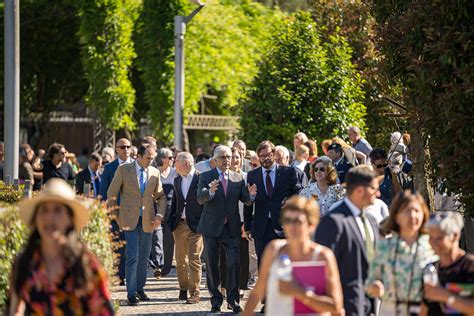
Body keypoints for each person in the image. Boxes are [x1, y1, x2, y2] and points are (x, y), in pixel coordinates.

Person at [8, 178, 114, 315]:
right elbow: (14, 308)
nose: (49, 217)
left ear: (70, 219)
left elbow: (103, 311)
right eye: (44, 210)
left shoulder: (86, 265)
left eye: (57, 210)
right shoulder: (24, 264)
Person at [243, 196, 344, 316]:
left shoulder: (323, 256)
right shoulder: (274, 250)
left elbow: (336, 306)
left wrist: (300, 293)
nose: (292, 226)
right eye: (288, 220)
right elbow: (256, 294)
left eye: (298, 221)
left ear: (311, 225)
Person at [197, 145, 257, 313]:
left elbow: (245, 200)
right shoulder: (205, 176)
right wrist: (209, 191)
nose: (227, 160)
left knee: (234, 264)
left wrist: (251, 195)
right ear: (215, 160)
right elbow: (200, 198)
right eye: (223, 157)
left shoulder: (238, 178)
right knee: (212, 265)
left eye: (229, 157)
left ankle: (233, 300)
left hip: (231, 228)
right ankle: (215, 300)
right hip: (211, 227)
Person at [314, 165, 380, 316]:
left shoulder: (371, 220)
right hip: (342, 308)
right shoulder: (333, 222)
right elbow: (323, 271)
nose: (378, 193)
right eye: (374, 188)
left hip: (369, 306)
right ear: (359, 190)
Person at [107, 144, 167, 306]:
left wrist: (160, 214)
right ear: (138, 157)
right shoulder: (123, 169)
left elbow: (160, 196)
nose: (151, 161)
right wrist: (115, 216)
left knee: (144, 257)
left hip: (148, 219)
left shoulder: (155, 172)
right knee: (132, 256)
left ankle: (140, 288)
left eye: (153, 158)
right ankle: (131, 292)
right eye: (148, 158)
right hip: (128, 219)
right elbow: (111, 193)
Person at [366, 191, 437, 315]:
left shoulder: (434, 246)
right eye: (406, 211)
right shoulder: (384, 248)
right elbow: (370, 282)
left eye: (416, 210)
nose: (412, 216)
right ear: (396, 216)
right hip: (391, 311)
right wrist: (374, 287)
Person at [244, 141, 303, 265]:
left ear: (274, 154)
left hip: (283, 224)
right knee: (264, 263)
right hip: (261, 226)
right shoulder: (252, 175)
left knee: (284, 263)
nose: (265, 158)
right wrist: (248, 226)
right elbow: (248, 201)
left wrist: (290, 202)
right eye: (262, 156)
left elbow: (298, 193)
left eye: (268, 155)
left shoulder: (288, 172)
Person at [168, 152, 204, 304]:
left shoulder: (201, 178)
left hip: (196, 226)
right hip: (180, 224)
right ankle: (183, 288)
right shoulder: (177, 180)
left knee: (194, 259)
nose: (173, 166)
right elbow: (176, 201)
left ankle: (195, 292)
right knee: (180, 259)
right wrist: (171, 221)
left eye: (175, 163)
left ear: (185, 164)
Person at [422, 211, 474, 315]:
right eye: (431, 238)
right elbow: (424, 309)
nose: (433, 243)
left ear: (455, 236)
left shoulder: (469, 266)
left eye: (439, 238)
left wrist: (445, 296)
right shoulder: (431, 268)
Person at [100, 138, 134, 285]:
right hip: (116, 212)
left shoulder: (137, 165)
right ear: (117, 149)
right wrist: (106, 212)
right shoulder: (109, 168)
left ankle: (130, 275)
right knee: (118, 244)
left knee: (132, 245)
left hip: (134, 212)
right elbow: (103, 192)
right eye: (122, 147)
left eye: (128, 146)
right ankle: (119, 275)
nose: (125, 149)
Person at [150, 148, 177, 279]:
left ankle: (166, 267)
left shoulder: (175, 172)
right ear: (162, 159)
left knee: (169, 239)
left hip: (171, 210)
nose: (173, 159)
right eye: (170, 157)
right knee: (156, 237)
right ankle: (157, 265)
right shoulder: (154, 172)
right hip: (156, 209)